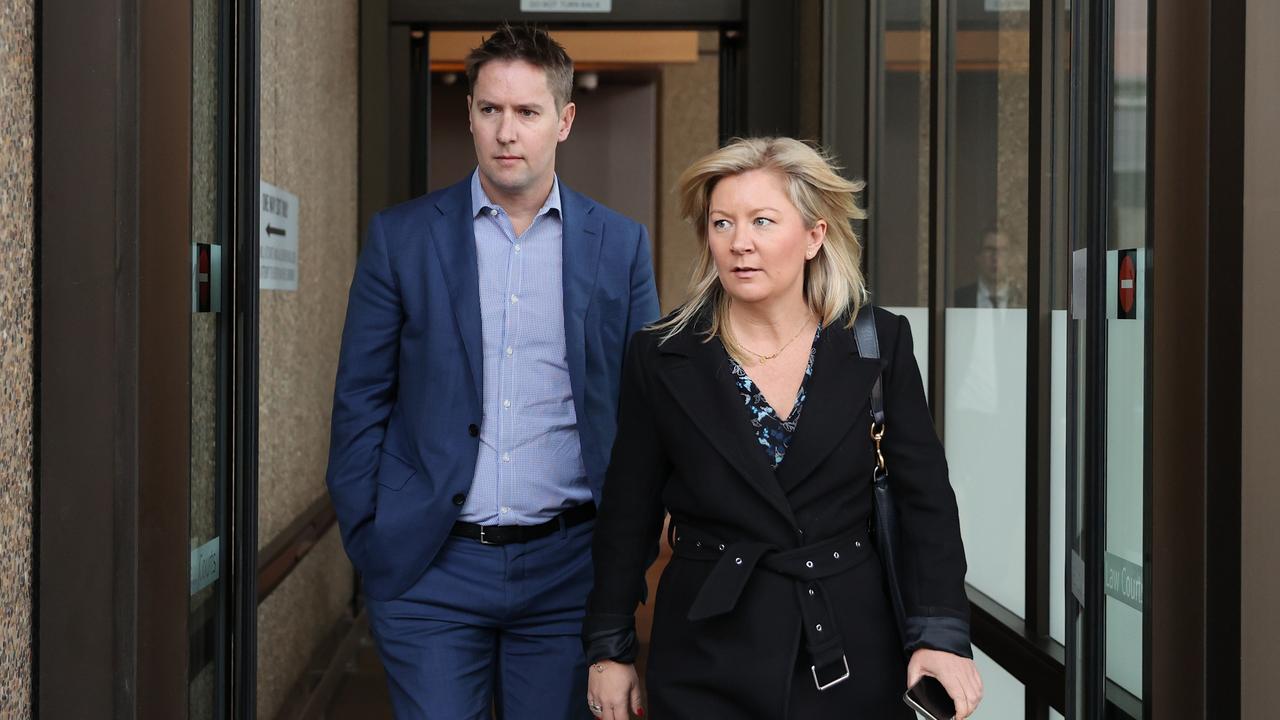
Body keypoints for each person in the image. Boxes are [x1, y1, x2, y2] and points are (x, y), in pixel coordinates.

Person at [325, 24, 659, 719]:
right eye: (490, 110)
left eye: (528, 112)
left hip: (568, 572)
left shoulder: (620, 245)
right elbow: (361, 396)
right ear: (470, 114)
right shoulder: (402, 236)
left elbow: (641, 411)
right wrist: (371, 534)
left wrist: (623, 565)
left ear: (564, 120)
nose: (508, 132)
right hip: (430, 568)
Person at [582, 137, 982, 719]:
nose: (739, 243)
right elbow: (628, 512)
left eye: (762, 221)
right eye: (722, 223)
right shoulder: (663, 354)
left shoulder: (876, 341)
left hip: (848, 643)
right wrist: (608, 648)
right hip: (706, 647)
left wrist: (940, 636)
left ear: (814, 236)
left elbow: (926, 504)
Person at [953, 228, 1024, 308]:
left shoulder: (1023, 299)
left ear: (1010, 257)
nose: (995, 257)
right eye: (989, 250)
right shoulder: (957, 299)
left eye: (1002, 250)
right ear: (978, 256)